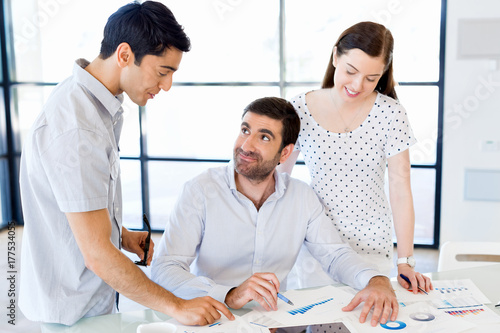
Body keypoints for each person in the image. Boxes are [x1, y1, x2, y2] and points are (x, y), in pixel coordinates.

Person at [19, 1, 233, 326]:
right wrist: (176, 306)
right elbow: (96, 254)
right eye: (163, 72)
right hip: (71, 314)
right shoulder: (78, 127)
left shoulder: (93, 103)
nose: (167, 86)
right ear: (124, 55)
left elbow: (74, 203)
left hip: (89, 304)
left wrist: (121, 234)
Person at [151, 97, 399, 327]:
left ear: (285, 153)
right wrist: (229, 293)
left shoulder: (301, 197)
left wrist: (376, 280)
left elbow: (335, 255)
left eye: (264, 137)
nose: (246, 145)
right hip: (214, 319)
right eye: (245, 130)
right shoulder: (199, 191)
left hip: (276, 322)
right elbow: (165, 269)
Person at [278, 21, 432, 292]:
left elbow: (400, 187)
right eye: (351, 71)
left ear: (383, 74)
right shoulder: (299, 108)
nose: (358, 85)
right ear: (336, 56)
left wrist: (405, 261)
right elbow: (279, 180)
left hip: (372, 244)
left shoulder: (391, 113)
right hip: (318, 243)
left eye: (371, 79)